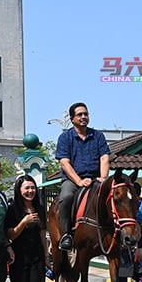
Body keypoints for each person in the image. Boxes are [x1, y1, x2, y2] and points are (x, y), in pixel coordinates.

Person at [55, 102, 110, 250]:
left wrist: (103, 178)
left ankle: (116, 233)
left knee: (115, 196)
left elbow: (104, 158)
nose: (84, 117)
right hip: (73, 180)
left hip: (96, 178)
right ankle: (66, 234)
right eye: (80, 114)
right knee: (66, 197)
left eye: (86, 114)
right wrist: (79, 181)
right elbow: (64, 163)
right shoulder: (65, 138)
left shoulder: (98, 136)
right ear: (72, 119)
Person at [5, 175, 52, 282]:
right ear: (19, 189)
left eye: (32, 187)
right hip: (19, 259)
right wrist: (24, 222)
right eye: (27, 188)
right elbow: (10, 235)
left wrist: (47, 258)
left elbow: (42, 232)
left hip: (37, 258)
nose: (30, 191)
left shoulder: (39, 208)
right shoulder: (12, 210)